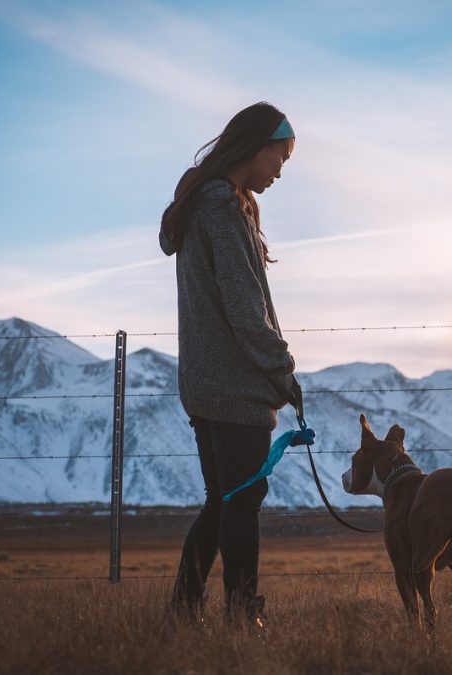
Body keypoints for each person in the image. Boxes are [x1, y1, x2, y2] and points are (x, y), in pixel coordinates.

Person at [159, 102, 303, 627]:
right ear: (258, 147)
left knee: (223, 501)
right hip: (235, 385)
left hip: (203, 381)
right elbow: (247, 311)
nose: (280, 172)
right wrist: (283, 371)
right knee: (241, 503)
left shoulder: (201, 204)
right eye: (280, 158)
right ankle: (243, 615)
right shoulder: (223, 209)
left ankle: (184, 607)